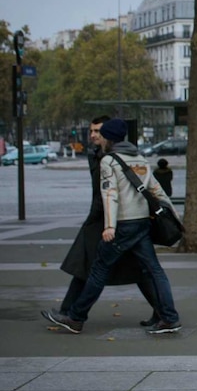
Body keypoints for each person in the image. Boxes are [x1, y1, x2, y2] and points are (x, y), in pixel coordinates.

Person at [42, 118, 183, 334]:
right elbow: (156, 190)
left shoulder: (109, 161)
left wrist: (109, 226)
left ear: (108, 138)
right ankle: (170, 318)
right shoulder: (140, 158)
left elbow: (110, 195)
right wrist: (175, 216)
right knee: (155, 271)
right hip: (142, 223)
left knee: (98, 270)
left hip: (123, 224)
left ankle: (76, 317)